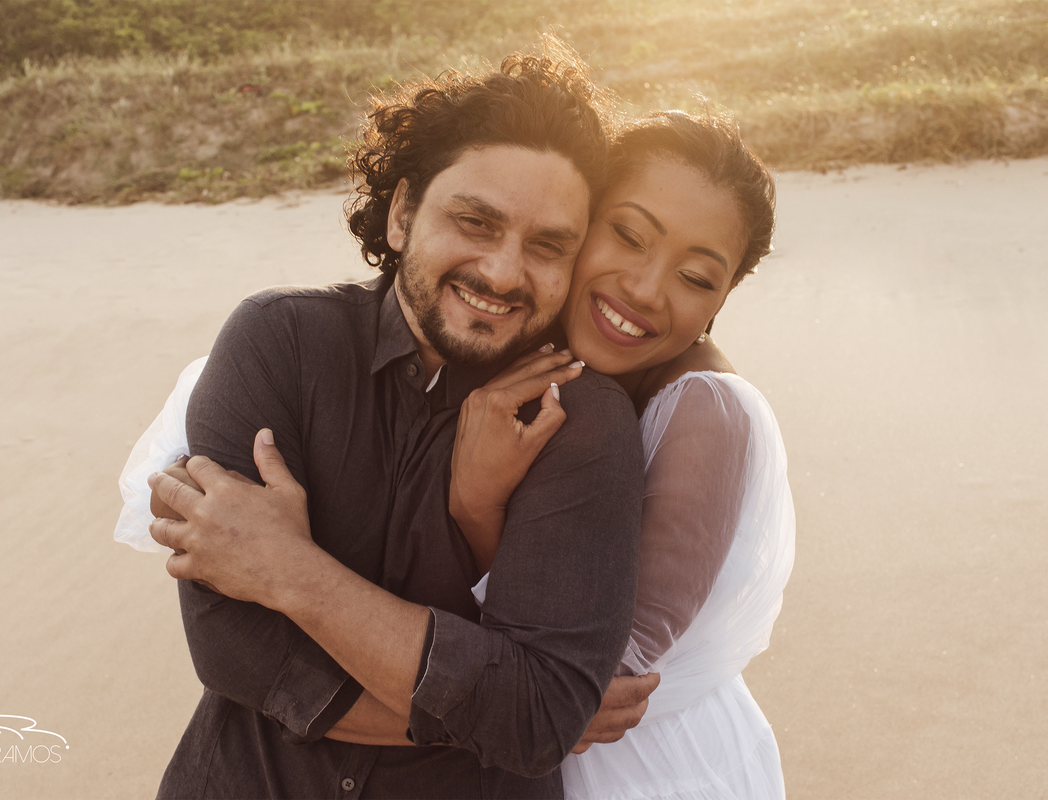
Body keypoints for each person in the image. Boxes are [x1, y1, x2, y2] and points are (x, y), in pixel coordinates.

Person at [126, 47, 653, 799]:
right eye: (475, 221)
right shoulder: (279, 342)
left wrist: (288, 571)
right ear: (403, 213)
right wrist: (490, 711)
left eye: (547, 246)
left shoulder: (576, 412)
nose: (504, 273)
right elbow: (232, 649)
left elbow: (536, 720)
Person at [449, 110, 795, 799]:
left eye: (696, 278)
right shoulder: (537, 354)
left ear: (721, 301)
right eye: (629, 235)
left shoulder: (706, 413)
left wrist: (477, 505)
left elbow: (593, 677)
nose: (643, 288)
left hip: (647, 775)